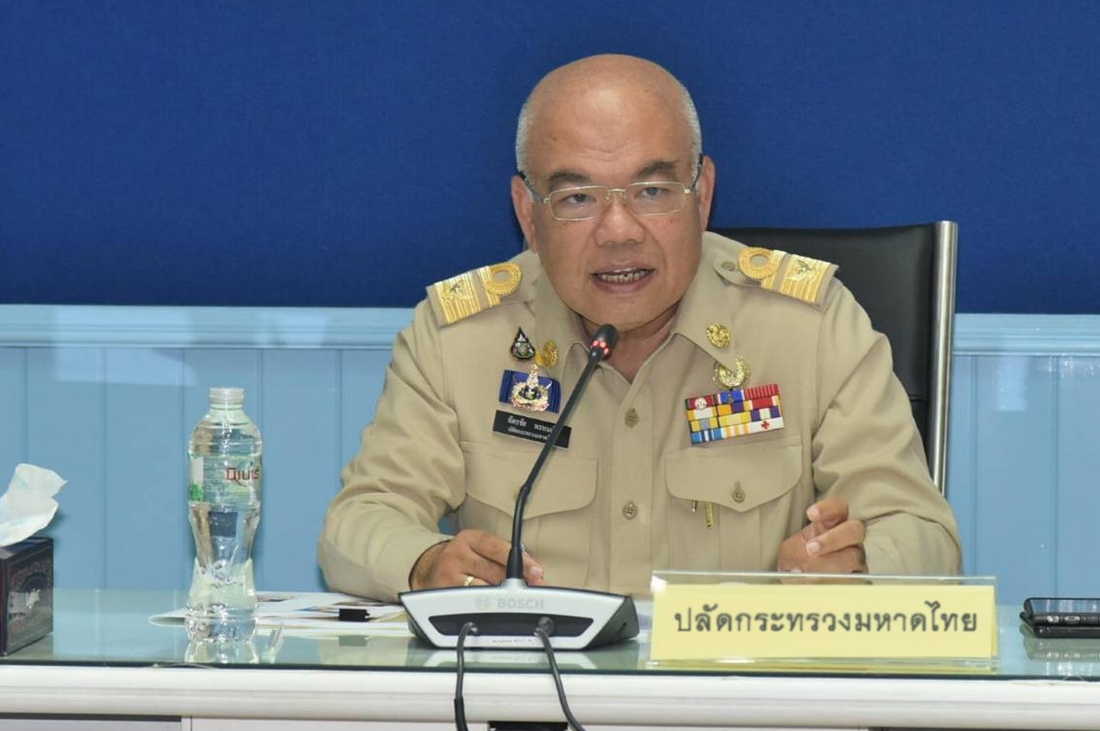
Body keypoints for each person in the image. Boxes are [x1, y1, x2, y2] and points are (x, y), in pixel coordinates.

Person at [318, 53, 961, 601]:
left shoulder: (811, 326)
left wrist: (858, 566)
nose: (619, 231)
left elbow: (924, 533)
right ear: (527, 214)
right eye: (577, 199)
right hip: (532, 694)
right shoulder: (459, 337)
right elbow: (358, 524)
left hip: (739, 693)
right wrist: (426, 564)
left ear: (702, 195)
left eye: (652, 191)